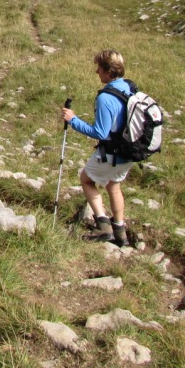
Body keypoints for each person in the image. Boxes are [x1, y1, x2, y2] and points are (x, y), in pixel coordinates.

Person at [60, 49, 133, 247]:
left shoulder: (105, 98)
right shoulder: (129, 87)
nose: (96, 72)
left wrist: (72, 120)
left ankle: (102, 225)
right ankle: (120, 231)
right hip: (129, 152)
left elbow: (101, 132)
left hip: (112, 153)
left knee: (86, 179)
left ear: (109, 71)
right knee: (113, 185)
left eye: (99, 68)